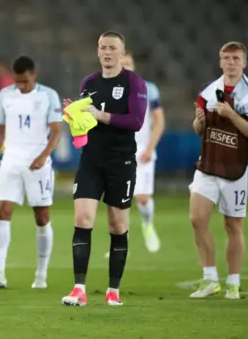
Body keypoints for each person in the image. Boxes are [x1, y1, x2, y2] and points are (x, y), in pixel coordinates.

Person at [60, 31, 147, 307]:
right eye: (102, 48)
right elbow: (86, 123)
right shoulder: (89, 83)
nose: (107, 52)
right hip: (91, 160)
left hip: (121, 162)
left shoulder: (134, 82)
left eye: (112, 48)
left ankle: (113, 291)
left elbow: (136, 121)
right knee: (82, 219)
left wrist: (100, 115)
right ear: (98, 52)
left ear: (122, 53)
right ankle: (79, 288)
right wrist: (75, 120)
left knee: (117, 225)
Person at [189, 41, 248, 300]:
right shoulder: (208, 92)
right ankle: (210, 279)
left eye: (235, 58)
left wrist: (232, 115)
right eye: (226, 58)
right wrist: (198, 123)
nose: (230, 62)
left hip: (235, 168)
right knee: (197, 219)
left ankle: (233, 282)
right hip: (208, 164)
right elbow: (200, 129)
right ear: (220, 61)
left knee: (232, 225)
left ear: (244, 63)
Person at [0, 55, 62, 289]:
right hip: (11, 160)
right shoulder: (6, 95)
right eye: (18, 81)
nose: (21, 85)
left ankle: (41, 274)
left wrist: (43, 156)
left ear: (34, 76)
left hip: (37, 161)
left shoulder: (48, 95)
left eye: (26, 82)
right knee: (2, 211)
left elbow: (56, 131)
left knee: (41, 216)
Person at [121, 52, 165, 253]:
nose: (126, 67)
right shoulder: (107, 89)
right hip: (119, 151)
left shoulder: (149, 89)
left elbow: (159, 121)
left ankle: (147, 225)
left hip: (142, 151)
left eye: (128, 63)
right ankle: (120, 240)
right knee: (119, 200)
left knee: (142, 197)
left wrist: (150, 148)